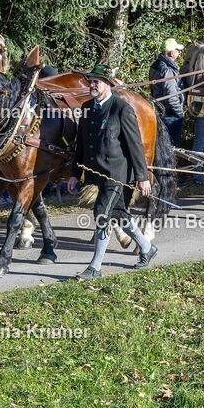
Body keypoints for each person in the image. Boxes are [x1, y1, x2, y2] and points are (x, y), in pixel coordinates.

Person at [67, 63, 158, 280]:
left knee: (101, 213)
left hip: (117, 174)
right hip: (96, 173)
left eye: (96, 82)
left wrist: (142, 177)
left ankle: (95, 267)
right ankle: (147, 248)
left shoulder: (121, 108)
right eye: (91, 81)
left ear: (108, 84)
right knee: (120, 215)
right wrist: (74, 174)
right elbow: (81, 145)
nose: (92, 85)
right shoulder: (87, 108)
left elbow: (135, 146)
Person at [150, 38, 185, 147]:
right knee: (171, 147)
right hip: (170, 114)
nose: (179, 53)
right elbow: (171, 96)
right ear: (171, 53)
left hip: (159, 110)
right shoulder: (167, 70)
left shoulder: (155, 65)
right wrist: (179, 113)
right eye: (177, 50)